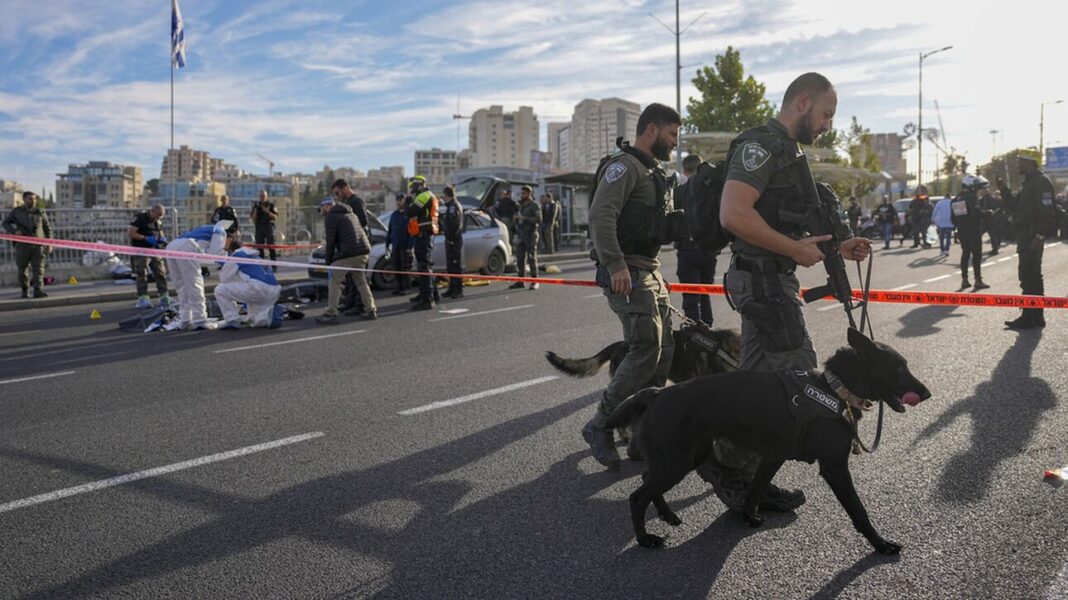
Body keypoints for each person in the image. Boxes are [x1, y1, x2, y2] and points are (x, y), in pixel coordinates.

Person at [705, 72, 872, 512]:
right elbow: (733, 213)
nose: (828, 125)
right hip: (762, 281)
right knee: (795, 384)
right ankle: (734, 469)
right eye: (825, 114)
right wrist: (793, 250)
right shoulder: (761, 146)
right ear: (802, 102)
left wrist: (838, 246)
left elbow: (783, 219)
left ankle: (737, 472)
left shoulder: (789, 152)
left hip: (772, 279)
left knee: (761, 389)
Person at [583, 102, 681, 470]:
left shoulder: (650, 171)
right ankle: (600, 425)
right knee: (644, 350)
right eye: (671, 135)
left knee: (664, 351)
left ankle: (643, 433)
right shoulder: (623, 167)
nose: (674, 143)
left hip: (648, 272)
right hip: (628, 273)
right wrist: (615, 263)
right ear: (651, 130)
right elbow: (600, 214)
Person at [998, 155, 1057, 329]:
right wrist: (1004, 190)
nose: (1017, 166)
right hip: (1025, 235)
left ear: (1029, 162)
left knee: (1031, 275)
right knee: (1029, 275)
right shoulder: (1028, 183)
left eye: (1019, 162)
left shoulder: (1041, 182)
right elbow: (1015, 205)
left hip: (1032, 235)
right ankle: (1035, 317)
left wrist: (1039, 236)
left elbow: (1048, 211)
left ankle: (1031, 317)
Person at [315, 199, 376, 323]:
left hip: (348, 253)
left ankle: (331, 313)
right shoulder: (350, 213)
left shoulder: (331, 217)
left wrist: (329, 261)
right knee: (361, 281)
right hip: (362, 251)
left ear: (327, 206)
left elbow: (331, 241)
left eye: (321, 208)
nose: (320, 211)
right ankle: (371, 309)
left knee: (335, 281)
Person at [674, 153, 717, 326]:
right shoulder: (711, 188)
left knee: (691, 297)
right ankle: (708, 329)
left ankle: (695, 334)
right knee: (706, 293)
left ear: (684, 171)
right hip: (709, 251)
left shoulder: (681, 189)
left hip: (687, 250)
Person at [165, 222, 231, 330]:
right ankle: (200, 319)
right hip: (186, 247)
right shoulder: (220, 231)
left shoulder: (204, 229)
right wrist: (226, 259)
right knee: (194, 283)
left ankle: (185, 319)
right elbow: (215, 255)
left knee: (181, 286)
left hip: (172, 246)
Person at [216, 242, 284, 329]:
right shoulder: (255, 256)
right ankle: (268, 315)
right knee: (255, 321)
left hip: (258, 289)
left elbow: (224, 278)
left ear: (231, 250)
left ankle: (231, 320)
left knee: (220, 290)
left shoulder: (237, 255)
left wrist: (222, 266)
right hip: (273, 290)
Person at [3, 191, 53, 298]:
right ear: (24, 199)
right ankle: (25, 291)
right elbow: (5, 223)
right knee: (22, 269)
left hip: (38, 245)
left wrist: (49, 244)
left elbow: (47, 228)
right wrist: (14, 231)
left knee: (38, 269)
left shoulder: (40, 212)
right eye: (30, 198)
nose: (33, 201)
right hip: (22, 245)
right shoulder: (17, 212)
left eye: (35, 199)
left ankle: (38, 290)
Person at [332, 179, 369, 314]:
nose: (337, 196)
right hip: (350, 247)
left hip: (358, 247)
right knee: (351, 277)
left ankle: (359, 306)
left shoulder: (356, 202)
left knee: (359, 278)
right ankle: (350, 303)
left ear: (345, 188)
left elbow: (363, 222)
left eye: (337, 192)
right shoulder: (347, 203)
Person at [405, 176, 440, 311]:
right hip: (424, 234)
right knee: (426, 265)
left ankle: (427, 299)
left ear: (419, 185)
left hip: (423, 235)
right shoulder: (426, 195)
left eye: (413, 186)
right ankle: (431, 294)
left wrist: (408, 201)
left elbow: (411, 212)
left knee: (424, 266)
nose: (411, 189)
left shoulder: (424, 195)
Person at [128, 203, 171, 309]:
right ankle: (143, 298)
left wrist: (162, 240)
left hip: (154, 250)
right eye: (158, 215)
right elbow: (131, 233)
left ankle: (164, 296)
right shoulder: (140, 218)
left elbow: (160, 232)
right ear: (153, 211)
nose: (159, 218)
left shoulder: (157, 221)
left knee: (161, 273)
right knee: (142, 274)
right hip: (141, 250)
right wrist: (145, 238)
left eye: (161, 216)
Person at [951, 176, 990, 290]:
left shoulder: (956, 199)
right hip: (973, 230)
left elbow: (953, 218)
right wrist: (987, 213)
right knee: (976, 255)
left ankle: (964, 280)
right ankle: (978, 280)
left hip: (962, 231)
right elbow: (976, 213)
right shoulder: (972, 197)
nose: (977, 188)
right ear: (970, 185)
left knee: (965, 254)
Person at [511, 185, 542, 290]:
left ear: (529, 194)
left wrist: (525, 218)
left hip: (531, 235)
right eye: (521, 193)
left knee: (532, 258)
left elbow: (538, 219)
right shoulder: (520, 205)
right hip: (520, 235)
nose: (522, 195)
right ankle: (521, 280)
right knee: (520, 258)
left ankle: (535, 281)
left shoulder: (534, 205)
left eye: (524, 193)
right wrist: (515, 219)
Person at [440, 186, 465, 299]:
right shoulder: (450, 206)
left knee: (455, 265)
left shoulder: (453, 206)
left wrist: (450, 239)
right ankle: (452, 288)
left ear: (447, 195)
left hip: (453, 240)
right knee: (450, 266)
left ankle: (458, 290)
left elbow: (455, 225)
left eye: (444, 194)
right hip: (450, 239)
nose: (443, 197)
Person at [386, 193, 413, 295]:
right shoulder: (394, 215)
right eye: (397, 200)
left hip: (405, 246)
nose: (398, 202)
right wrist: (387, 244)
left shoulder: (408, 214)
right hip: (395, 245)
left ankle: (406, 287)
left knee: (405, 267)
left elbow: (411, 231)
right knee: (396, 266)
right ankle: (399, 286)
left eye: (400, 200)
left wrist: (410, 247)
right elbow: (390, 230)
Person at [250, 190, 278, 272]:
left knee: (271, 246)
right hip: (259, 227)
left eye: (264, 196)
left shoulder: (271, 205)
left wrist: (267, 212)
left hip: (268, 226)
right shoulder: (256, 206)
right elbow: (253, 219)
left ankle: (274, 266)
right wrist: (255, 208)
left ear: (266, 196)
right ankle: (261, 265)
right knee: (259, 247)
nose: (262, 197)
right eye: (261, 196)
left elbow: (275, 217)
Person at [980, 188, 1002, 254]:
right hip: (988, 219)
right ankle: (995, 249)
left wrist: (992, 212)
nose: (983, 192)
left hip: (988, 219)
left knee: (991, 235)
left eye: (984, 191)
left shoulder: (987, 199)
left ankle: (995, 249)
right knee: (992, 235)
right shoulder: (984, 199)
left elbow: (997, 208)